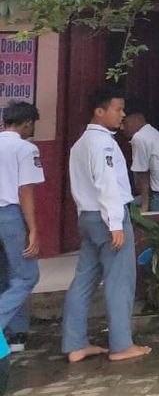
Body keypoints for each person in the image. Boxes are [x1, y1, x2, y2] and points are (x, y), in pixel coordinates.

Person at [62, 88, 151, 362]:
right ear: (100, 112)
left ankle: (74, 343)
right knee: (119, 281)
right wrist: (115, 223)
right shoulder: (103, 144)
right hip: (107, 216)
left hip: (88, 217)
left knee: (84, 280)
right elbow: (106, 184)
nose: (122, 115)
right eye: (117, 109)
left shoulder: (80, 143)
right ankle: (122, 345)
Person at [0, 102, 43, 354]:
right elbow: (25, 190)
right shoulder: (26, 148)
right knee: (27, 275)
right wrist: (34, 229)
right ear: (27, 122)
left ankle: (16, 336)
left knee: (6, 275)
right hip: (10, 215)